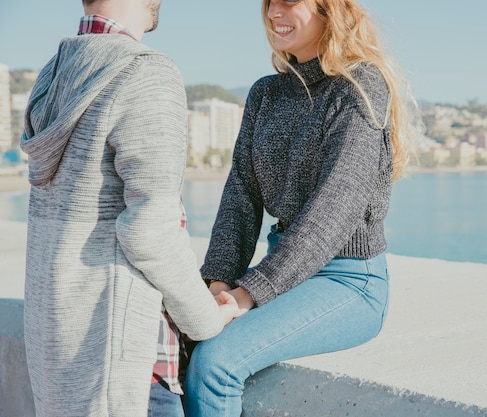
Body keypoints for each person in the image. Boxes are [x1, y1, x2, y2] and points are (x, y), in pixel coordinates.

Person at [183, 0, 416, 415]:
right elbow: (241, 196)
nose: (274, 11)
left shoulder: (359, 86)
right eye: (270, 1)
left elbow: (334, 211)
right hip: (284, 273)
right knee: (177, 336)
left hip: (348, 282)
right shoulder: (266, 93)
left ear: (330, 10)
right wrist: (218, 282)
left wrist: (247, 294)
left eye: (290, 1)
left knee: (215, 363)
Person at [19, 1, 237, 416]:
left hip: (60, 360)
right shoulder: (144, 72)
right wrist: (206, 319)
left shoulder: (53, 72)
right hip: (128, 369)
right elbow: (151, 229)